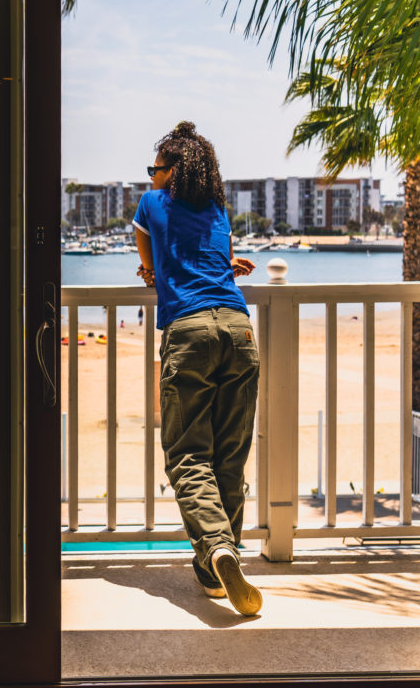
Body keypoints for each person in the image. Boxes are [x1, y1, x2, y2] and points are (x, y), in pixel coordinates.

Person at [131, 121, 262, 616]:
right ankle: (214, 574)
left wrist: (149, 272)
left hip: (189, 333)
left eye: (156, 169)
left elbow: (152, 256)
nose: (152, 176)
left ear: (171, 171)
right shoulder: (216, 209)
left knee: (188, 454)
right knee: (230, 453)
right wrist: (228, 265)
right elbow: (211, 258)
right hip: (237, 327)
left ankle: (216, 547)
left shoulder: (151, 203)